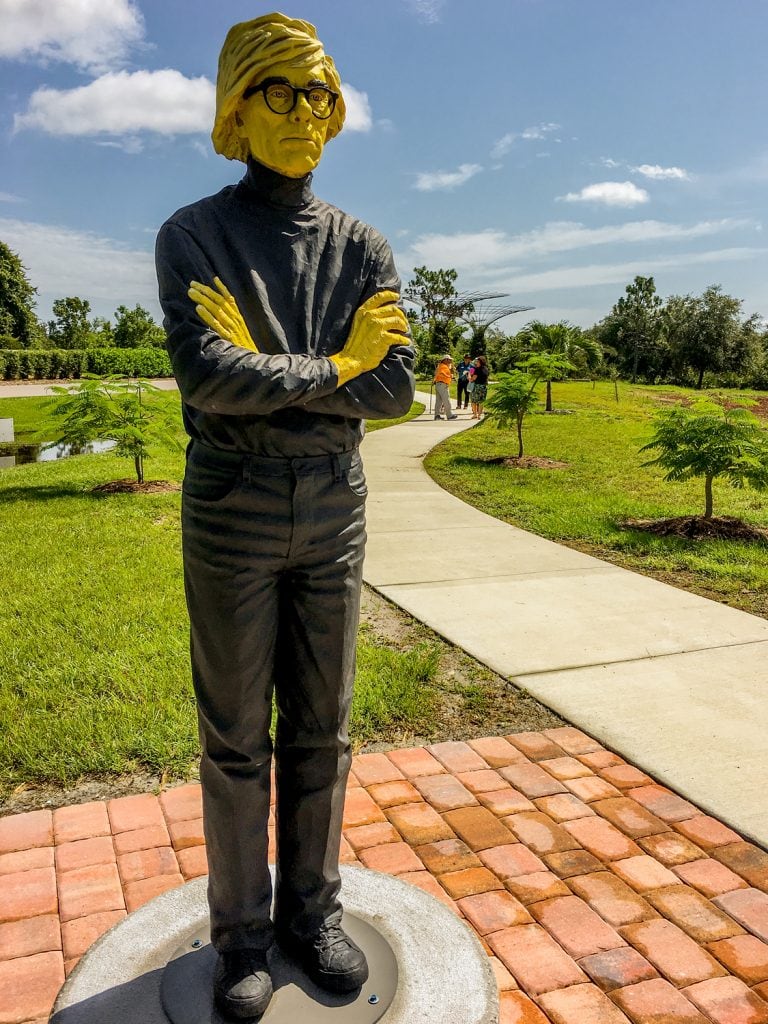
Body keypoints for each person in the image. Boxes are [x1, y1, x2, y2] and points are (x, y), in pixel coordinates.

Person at [154, 13, 414, 1020]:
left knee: (325, 729)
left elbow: (395, 391)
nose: (304, 116)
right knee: (234, 738)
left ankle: (314, 914)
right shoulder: (196, 236)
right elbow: (210, 376)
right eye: (280, 93)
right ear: (236, 104)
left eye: (319, 98)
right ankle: (241, 937)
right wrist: (340, 362)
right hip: (234, 506)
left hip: (334, 508)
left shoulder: (362, 244)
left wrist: (302, 377)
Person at [432, 354, 458, 420]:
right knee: (446, 400)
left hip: (439, 384)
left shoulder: (441, 365)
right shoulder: (443, 366)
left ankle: (437, 415)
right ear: (445, 360)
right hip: (442, 385)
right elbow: (442, 373)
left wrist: (434, 380)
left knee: (439, 401)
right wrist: (449, 376)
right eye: (449, 360)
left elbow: (438, 373)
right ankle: (449, 415)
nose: (450, 361)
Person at [469, 354, 490, 419]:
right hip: (484, 387)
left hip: (477, 387)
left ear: (480, 362)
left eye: (477, 362)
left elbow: (473, 379)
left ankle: (475, 414)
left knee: (473, 401)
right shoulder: (486, 369)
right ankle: (479, 415)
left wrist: (469, 375)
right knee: (481, 401)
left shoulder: (477, 369)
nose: (476, 363)